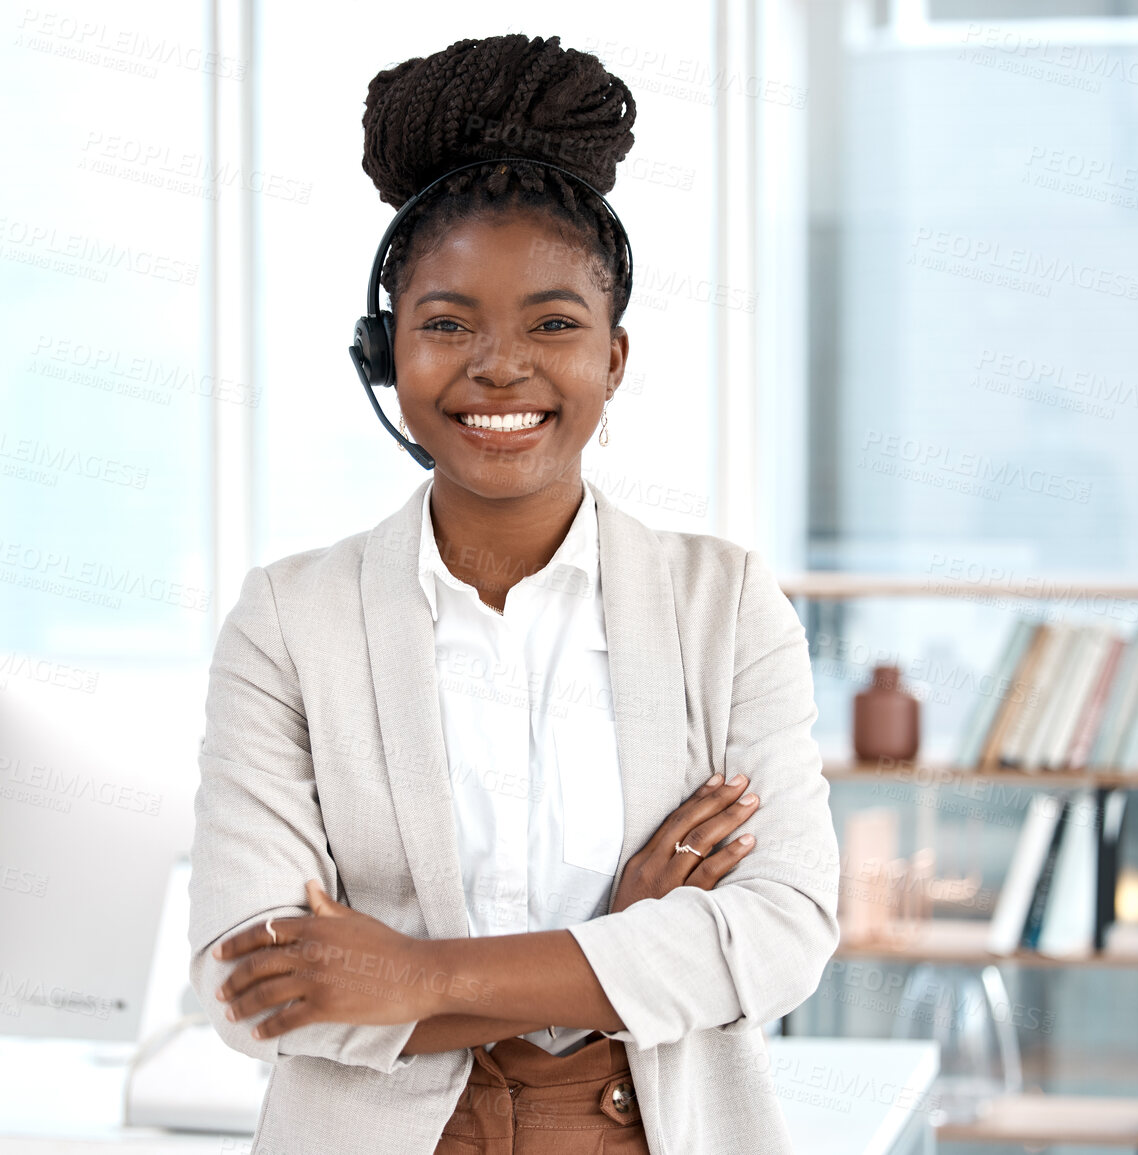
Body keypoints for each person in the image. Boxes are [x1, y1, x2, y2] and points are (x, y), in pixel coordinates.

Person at [187, 33, 839, 1155]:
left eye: (553, 324)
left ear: (615, 359)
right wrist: (632, 949)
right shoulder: (288, 622)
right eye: (446, 324)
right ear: (386, 350)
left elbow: (779, 937)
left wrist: (411, 975)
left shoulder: (723, 608)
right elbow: (254, 982)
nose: (499, 366)